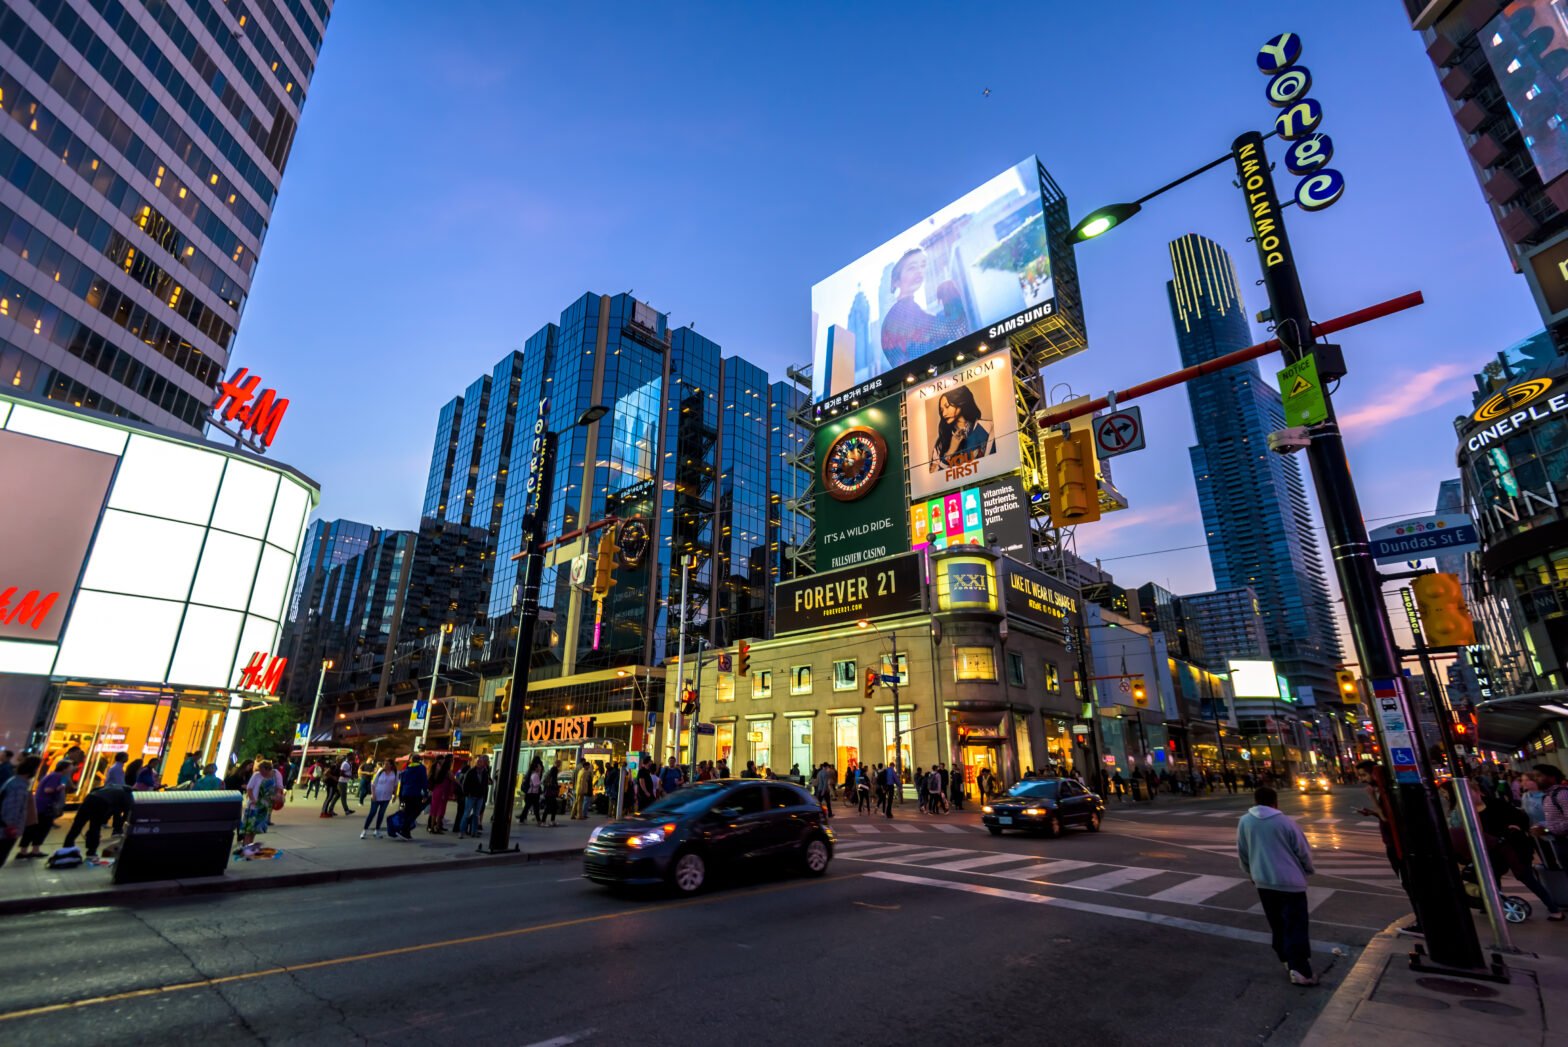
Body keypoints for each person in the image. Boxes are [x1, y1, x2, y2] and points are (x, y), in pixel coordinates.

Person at [1237, 786, 1318, 986]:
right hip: (1290, 881)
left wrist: (1251, 873)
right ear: (1276, 802)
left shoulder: (1245, 821)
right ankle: (1300, 970)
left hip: (1263, 881)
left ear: (1255, 801)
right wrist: (1308, 870)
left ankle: (1286, 959)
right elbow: (1302, 851)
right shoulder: (1286, 822)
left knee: (1277, 924)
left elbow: (1243, 852)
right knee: (1296, 925)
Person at [1478, 790, 1563, 921]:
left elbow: (1520, 816)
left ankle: (1554, 909)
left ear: (1478, 792)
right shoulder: (1467, 812)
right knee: (1493, 877)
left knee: (1526, 877)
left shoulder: (1496, 804)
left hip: (1515, 847)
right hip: (1494, 850)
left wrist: (1517, 826)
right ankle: (1493, 905)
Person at [880, 247, 969, 365]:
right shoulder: (903, 312)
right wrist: (950, 295)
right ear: (896, 282)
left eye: (922, 266)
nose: (919, 271)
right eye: (912, 268)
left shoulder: (901, 311)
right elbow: (956, 329)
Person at [930, 385, 994, 472]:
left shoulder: (988, 427)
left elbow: (992, 466)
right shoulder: (942, 442)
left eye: (947, 406)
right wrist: (951, 451)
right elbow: (934, 477)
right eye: (941, 410)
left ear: (960, 401)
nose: (944, 414)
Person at [17, 759, 71, 859]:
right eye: (69, 767)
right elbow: (48, 790)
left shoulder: (53, 775)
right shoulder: (56, 776)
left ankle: (25, 850)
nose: (71, 769)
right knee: (41, 828)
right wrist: (58, 789)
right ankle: (33, 850)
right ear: (64, 768)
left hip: (40, 806)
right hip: (45, 807)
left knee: (33, 828)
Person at [61, 783, 132, 858]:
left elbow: (94, 789)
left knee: (77, 825)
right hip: (101, 803)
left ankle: (67, 847)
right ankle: (91, 852)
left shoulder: (113, 786)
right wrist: (119, 826)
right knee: (95, 827)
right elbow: (125, 813)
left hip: (90, 798)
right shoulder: (128, 796)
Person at [0, 755, 39, 868]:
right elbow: (12, 810)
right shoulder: (19, 786)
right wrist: (12, 829)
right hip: (5, 831)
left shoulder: (14, 781)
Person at [238, 760, 282, 856]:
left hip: (265, 806)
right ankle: (246, 848)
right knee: (249, 829)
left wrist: (277, 796)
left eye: (262, 771)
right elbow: (249, 788)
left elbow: (279, 787)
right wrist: (253, 799)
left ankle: (248, 847)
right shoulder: (256, 775)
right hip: (254, 806)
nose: (260, 773)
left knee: (255, 830)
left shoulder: (275, 774)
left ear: (268, 769)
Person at [394, 756, 429, 840]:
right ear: (420, 760)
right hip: (415, 793)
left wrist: (401, 796)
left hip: (405, 793)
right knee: (417, 810)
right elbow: (424, 781)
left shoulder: (406, 769)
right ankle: (404, 829)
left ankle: (406, 833)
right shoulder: (421, 768)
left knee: (407, 811)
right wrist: (425, 794)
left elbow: (401, 783)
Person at [362, 759, 398, 839]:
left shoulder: (395, 773)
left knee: (381, 814)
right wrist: (373, 794)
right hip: (377, 795)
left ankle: (377, 830)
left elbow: (395, 785)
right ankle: (364, 830)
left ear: (391, 765)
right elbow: (373, 783)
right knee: (372, 813)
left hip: (386, 797)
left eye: (387, 764)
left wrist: (395, 795)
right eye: (384, 764)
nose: (385, 765)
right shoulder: (380, 771)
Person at [459, 754, 491, 837]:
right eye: (478, 761)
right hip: (471, 796)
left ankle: (474, 832)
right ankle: (462, 831)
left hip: (480, 796)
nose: (480, 763)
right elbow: (465, 784)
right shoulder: (471, 771)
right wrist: (467, 793)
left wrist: (483, 794)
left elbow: (485, 783)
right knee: (466, 814)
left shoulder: (485, 772)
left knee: (476, 815)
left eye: (481, 761)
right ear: (476, 762)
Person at [426, 756, 453, 833]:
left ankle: (433, 827)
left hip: (436, 789)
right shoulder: (439, 768)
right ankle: (435, 827)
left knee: (435, 808)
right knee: (438, 809)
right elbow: (439, 777)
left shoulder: (435, 767)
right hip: (439, 789)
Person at [521, 757, 544, 825]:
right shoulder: (535, 775)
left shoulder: (531, 773)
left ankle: (522, 819)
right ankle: (538, 820)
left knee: (529, 807)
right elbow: (536, 784)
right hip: (532, 793)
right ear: (536, 767)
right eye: (539, 767)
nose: (540, 769)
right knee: (533, 807)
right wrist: (541, 782)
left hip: (531, 793)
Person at [540, 761, 561, 827]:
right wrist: (556, 786)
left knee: (553, 807)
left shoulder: (551, 773)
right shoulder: (553, 774)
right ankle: (544, 821)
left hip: (549, 792)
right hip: (550, 793)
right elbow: (552, 782)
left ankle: (552, 821)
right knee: (548, 807)